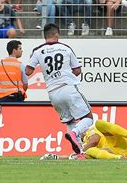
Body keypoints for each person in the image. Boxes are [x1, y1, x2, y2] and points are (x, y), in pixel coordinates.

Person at [25, 23, 94, 155]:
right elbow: (77, 70)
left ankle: (79, 151)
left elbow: (28, 71)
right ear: (56, 34)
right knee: (88, 117)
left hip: (52, 93)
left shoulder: (37, 50)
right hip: (67, 87)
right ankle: (75, 133)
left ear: (44, 35)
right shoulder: (65, 48)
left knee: (69, 120)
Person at [41, 120, 127, 160]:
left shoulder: (90, 130)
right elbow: (76, 157)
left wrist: (81, 151)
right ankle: (118, 158)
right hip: (116, 153)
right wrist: (56, 157)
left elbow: (95, 139)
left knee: (99, 123)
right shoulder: (85, 144)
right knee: (90, 152)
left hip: (116, 143)